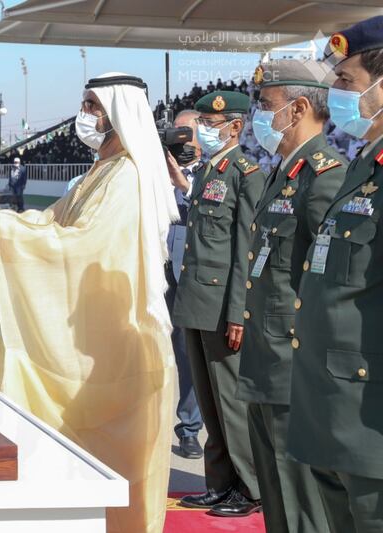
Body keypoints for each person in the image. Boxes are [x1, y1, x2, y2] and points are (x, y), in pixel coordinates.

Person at [0, 72, 179, 533]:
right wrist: (1, 221)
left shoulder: (127, 175)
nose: (85, 116)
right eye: (84, 104)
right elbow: (53, 222)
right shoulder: (102, 169)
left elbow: (86, 244)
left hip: (114, 338)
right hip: (92, 333)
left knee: (113, 459)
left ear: (118, 112)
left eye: (93, 106)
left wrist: (6, 231)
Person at [235, 59, 346, 531]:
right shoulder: (285, 172)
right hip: (267, 359)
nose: (258, 115)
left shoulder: (325, 176)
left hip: (293, 366)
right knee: (275, 497)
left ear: (298, 108)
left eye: (265, 105)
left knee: (301, 504)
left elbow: (328, 282)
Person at [288, 16, 383, 532]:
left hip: (371, 425)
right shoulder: (363, 167)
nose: (336, 93)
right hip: (332, 411)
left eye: (346, 81)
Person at [166, 90, 264, 516]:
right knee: (208, 402)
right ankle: (220, 483)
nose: (202, 130)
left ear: (235, 126)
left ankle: (250, 487)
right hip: (197, 301)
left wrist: (239, 311)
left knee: (231, 403)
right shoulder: (208, 171)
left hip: (224, 306)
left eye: (209, 122)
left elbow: (246, 247)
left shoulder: (246, 172)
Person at [165, 110, 204, 460]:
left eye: (187, 133)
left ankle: (189, 428)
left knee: (189, 355)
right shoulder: (153, 173)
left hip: (189, 276)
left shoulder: (213, 175)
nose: (181, 140)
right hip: (155, 270)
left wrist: (184, 185)